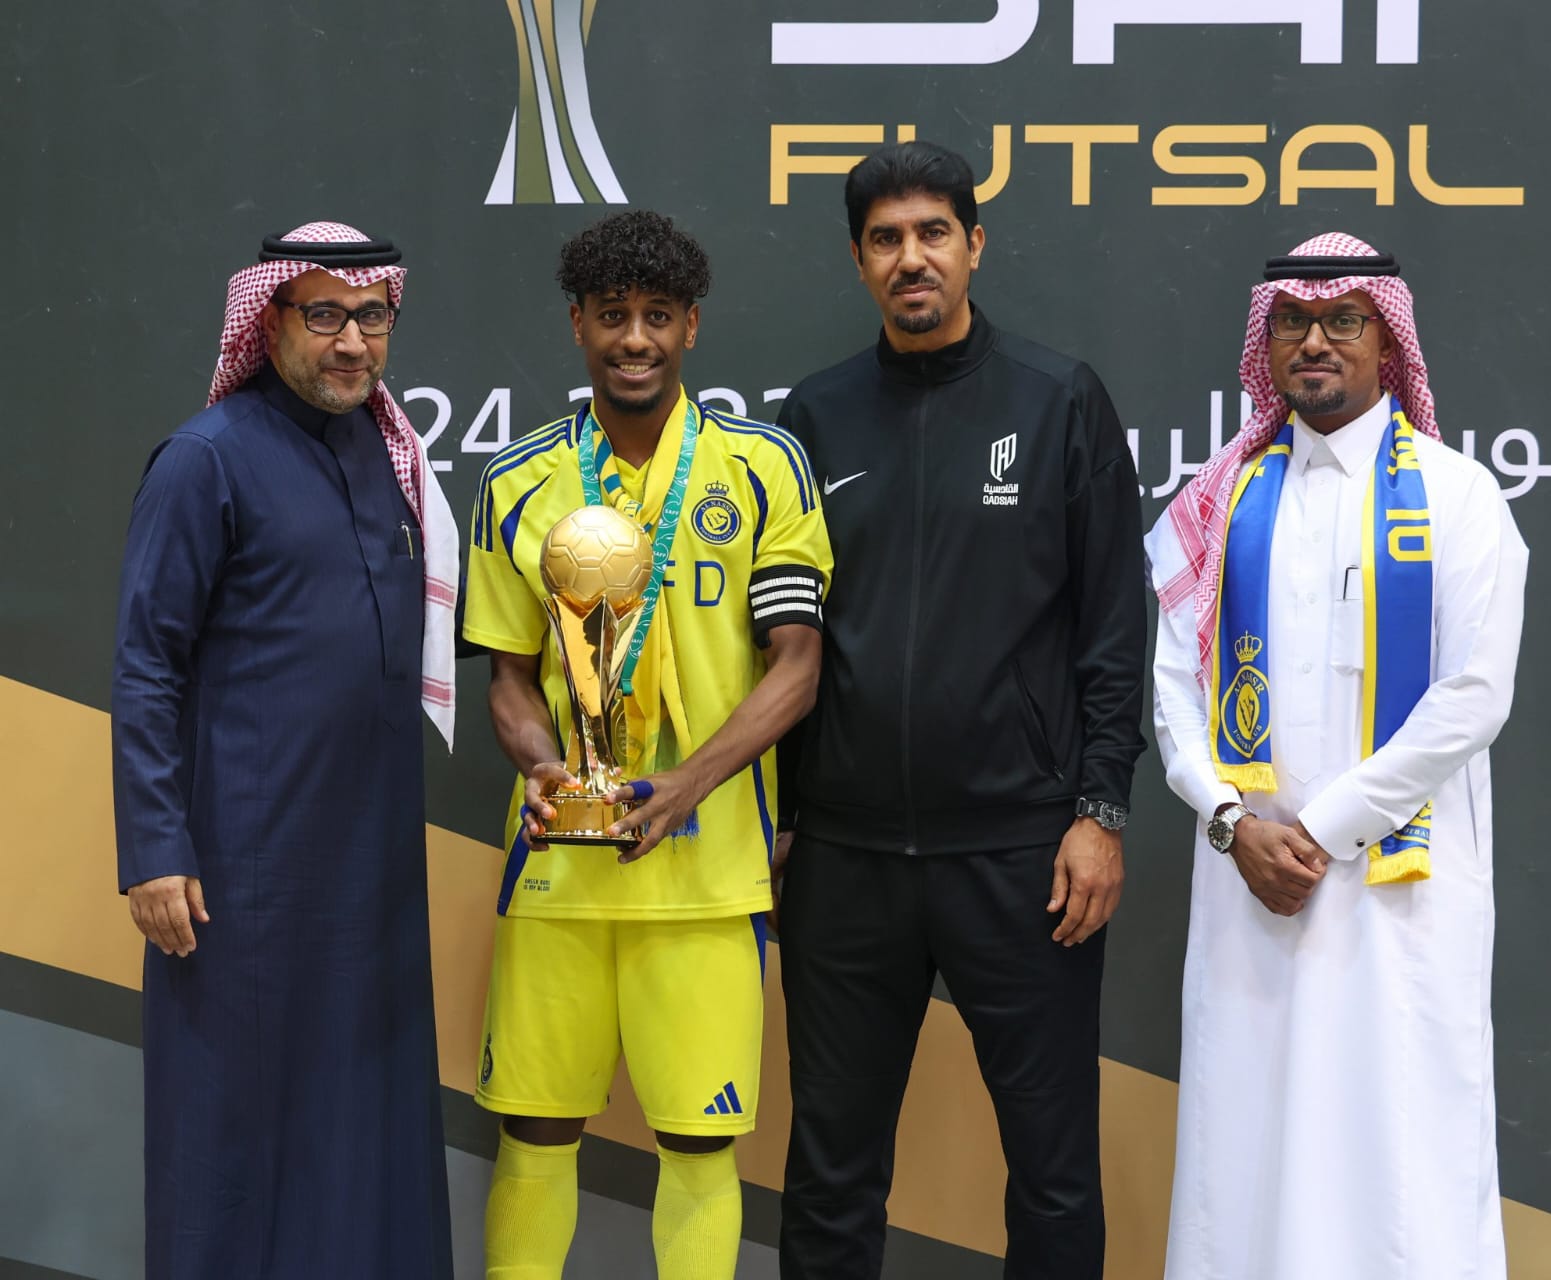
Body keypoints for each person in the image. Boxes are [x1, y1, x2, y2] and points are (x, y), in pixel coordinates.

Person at [774, 140, 1147, 1279]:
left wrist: (1099, 810)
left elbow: (1113, 627)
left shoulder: (1058, 398)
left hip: (1023, 857)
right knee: (830, 1172)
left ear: (974, 244)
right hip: (845, 861)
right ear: (857, 260)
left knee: (1052, 1172)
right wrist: (783, 817)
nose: (912, 258)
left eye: (933, 232)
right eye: (885, 239)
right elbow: (782, 638)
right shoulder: (815, 414)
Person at [1145, 232, 1527, 1280]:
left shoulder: (1456, 494)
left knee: (1400, 1141)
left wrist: (1318, 828)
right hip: (1247, 885)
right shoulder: (1217, 500)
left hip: (1401, 894)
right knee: (1244, 1134)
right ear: (1264, 343)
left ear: (1385, 341)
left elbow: (1473, 695)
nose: (1314, 342)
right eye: (1292, 323)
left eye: (1342, 321)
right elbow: (1173, 689)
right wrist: (1230, 821)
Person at [462, 209, 831, 1280]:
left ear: (691, 326)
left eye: (657, 315)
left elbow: (797, 665)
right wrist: (543, 767)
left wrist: (688, 785)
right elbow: (509, 677)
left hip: (707, 878)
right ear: (576, 323)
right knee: (534, 1129)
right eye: (612, 315)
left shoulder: (762, 467)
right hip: (560, 873)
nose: (635, 339)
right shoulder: (518, 481)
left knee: (700, 1143)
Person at [111, 222, 459, 1278]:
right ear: (267, 323)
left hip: (373, 878)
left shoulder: (384, 455)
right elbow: (146, 664)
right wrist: (154, 850)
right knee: (236, 1128)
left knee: (365, 1133)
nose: (351, 341)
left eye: (370, 316)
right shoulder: (205, 460)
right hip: (242, 879)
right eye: (324, 316)